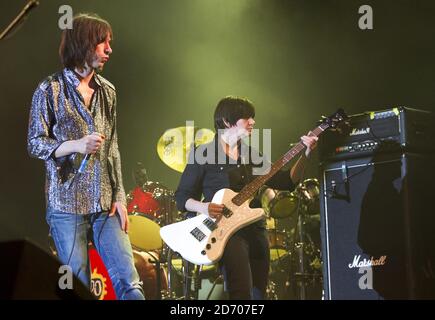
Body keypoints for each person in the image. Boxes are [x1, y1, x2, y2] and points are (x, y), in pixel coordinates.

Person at [27, 13, 144, 300]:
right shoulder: (49, 89)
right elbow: (35, 143)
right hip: (66, 204)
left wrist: (120, 196)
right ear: (82, 43)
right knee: (75, 287)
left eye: (109, 42)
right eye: (102, 42)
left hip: (106, 203)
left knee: (129, 281)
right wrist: (75, 145)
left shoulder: (109, 91)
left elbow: (113, 146)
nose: (109, 49)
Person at [175, 96, 318, 300]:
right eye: (246, 117)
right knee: (241, 291)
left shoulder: (252, 155)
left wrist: (306, 153)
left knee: (259, 291)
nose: (253, 122)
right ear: (227, 121)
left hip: (255, 229)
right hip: (227, 232)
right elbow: (182, 197)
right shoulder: (203, 153)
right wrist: (204, 207)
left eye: (252, 117)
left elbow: (286, 181)